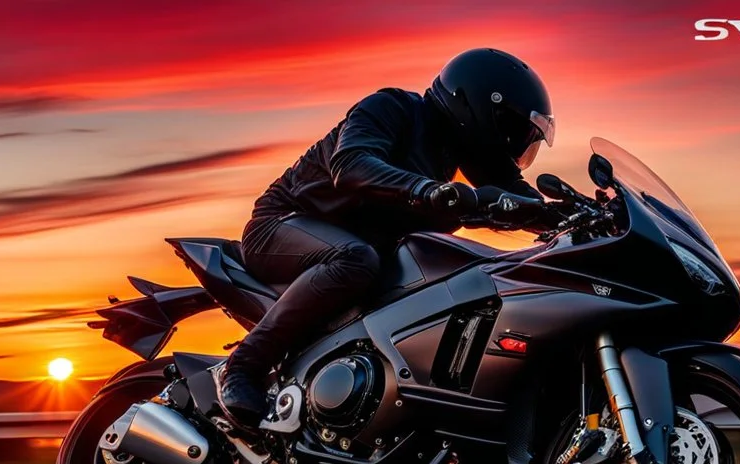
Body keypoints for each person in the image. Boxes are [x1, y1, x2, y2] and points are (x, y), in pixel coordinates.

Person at [218, 48, 559, 427]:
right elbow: (351, 164)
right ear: (480, 105)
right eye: (514, 130)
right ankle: (243, 367)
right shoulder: (393, 108)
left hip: (358, 253)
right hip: (281, 225)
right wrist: (426, 189)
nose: (515, 143)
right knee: (355, 259)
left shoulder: (463, 149)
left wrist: (583, 216)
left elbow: (522, 199)